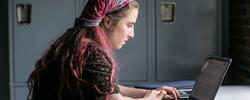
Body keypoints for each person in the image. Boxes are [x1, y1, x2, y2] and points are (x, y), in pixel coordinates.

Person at [27, 0, 180, 100]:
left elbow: (106, 88)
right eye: (130, 25)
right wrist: (149, 99)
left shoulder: (78, 43)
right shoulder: (92, 53)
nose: (132, 35)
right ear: (107, 21)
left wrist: (147, 93)